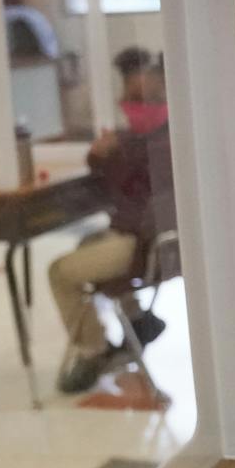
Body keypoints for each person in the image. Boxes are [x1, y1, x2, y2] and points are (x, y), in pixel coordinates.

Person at [49, 53, 172, 394]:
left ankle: (92, 351)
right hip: (162, 247)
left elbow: (104, 172)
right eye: (129, 98)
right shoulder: (171, 136)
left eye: (140, 99)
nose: (131, 106)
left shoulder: (143, 144)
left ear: (163, 98)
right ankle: (137, 320)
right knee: (87, 245)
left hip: (142, 246)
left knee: (59, 271)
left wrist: (107, 150)